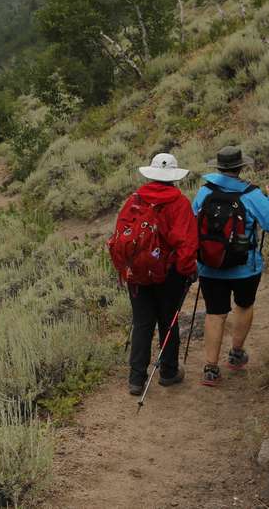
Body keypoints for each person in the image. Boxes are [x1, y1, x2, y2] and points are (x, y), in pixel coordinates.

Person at [193, 145, 269, 387]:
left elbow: (193, 222)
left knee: (215, 312)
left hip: (210, 266)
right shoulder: (251, 194)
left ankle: (210, 368)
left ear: (219, 167)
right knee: (243, 305)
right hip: (245, 267)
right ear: (241, 167)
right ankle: (235, 353)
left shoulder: (204, 192)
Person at [114, 153, 198, 396]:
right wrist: (187, 271)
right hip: (168, 274)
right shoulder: (179, 203)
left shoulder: (134, 200)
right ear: (173, 177)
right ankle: (168, 372)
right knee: (167, 321)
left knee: (142, 323)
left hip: (137, 273)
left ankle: (136, 379)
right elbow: (186, 244)